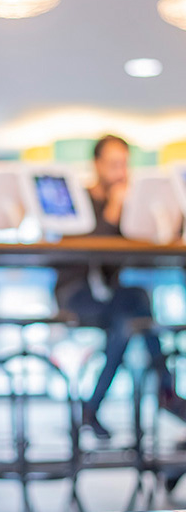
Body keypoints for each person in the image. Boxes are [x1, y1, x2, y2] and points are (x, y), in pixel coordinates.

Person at [55, 134, 186, 440]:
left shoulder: (130, 202)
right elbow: (86, 249)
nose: (120, 171)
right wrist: (113, 210)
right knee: (130, 313)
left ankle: (93, 408)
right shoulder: (80, 199)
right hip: (76, 295)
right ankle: (165, 393)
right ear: (97, 165)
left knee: (136, 304)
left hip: (111, 297)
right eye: (113, 164)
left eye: (124, 164)